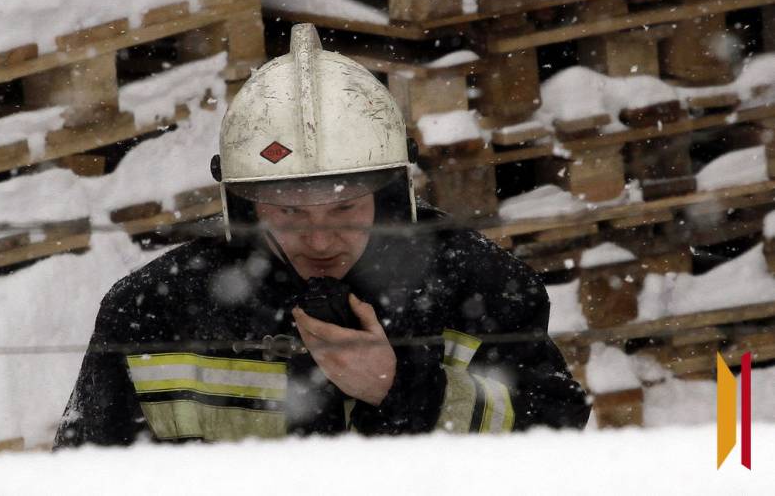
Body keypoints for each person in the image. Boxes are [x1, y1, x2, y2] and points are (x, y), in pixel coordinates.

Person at [54, 24, 590, 447]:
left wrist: (401, 389)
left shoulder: (481, 287)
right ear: (244, 204)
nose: (320, 240)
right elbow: (81, 477)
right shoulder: (153, 309)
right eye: (288, 212)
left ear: (388, 196)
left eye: (344, 208)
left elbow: (553, 449)